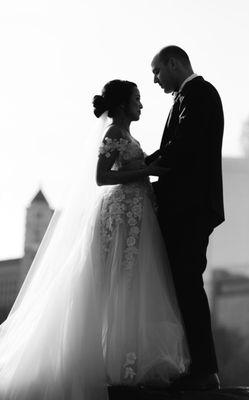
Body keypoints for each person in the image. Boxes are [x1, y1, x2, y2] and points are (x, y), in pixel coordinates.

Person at [0, 79, 190, 399]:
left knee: (130, 284)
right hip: (119, 213)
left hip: (134, 213)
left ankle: (124, 361)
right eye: (137, 99)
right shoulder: (113, 133)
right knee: (118, 282)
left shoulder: (127, 135)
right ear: (121, 106)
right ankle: (114, 364)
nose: (141, 105)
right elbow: (102, 178)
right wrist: (147, 171)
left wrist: (150, 168)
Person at [147, 45, 225, 390]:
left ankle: (204, 371)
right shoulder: (186, 97)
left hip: (191, 209)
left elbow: (184, 147)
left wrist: (141, 167)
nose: (155, 80)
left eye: (157, 71)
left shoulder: (201, 94)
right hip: (182, 208)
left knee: (188, 284)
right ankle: (192, 366)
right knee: (181, 286)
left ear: (174, 63)